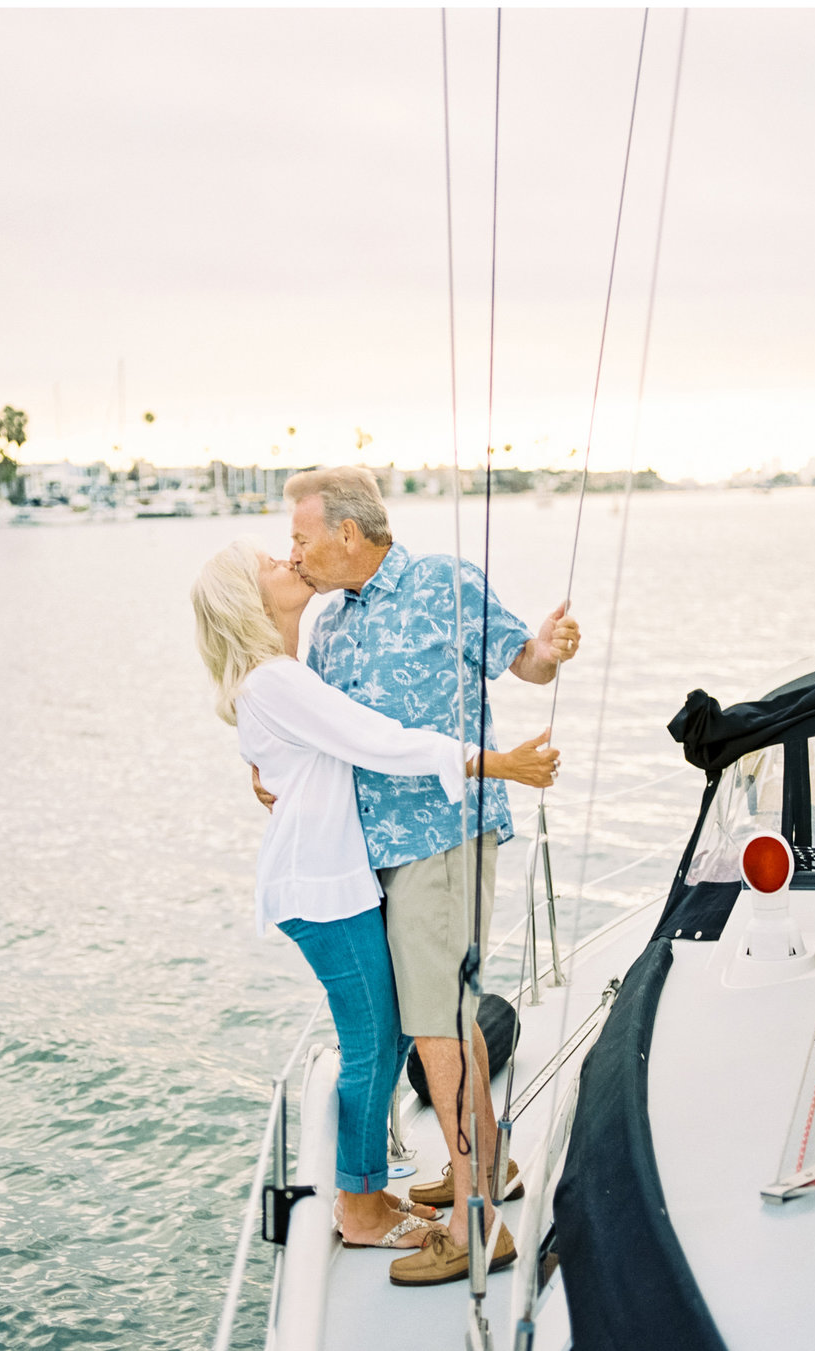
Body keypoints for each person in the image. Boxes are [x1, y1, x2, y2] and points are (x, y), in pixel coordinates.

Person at [191, 537, 560, 1253]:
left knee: (392, 1032)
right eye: (270, 562)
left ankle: (397, 1183)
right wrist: (496, 763)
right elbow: (378, 739)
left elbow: (302, 748)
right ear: (250, 600)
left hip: (332, 879)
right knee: (372, 1044)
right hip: (323, 886)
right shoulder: (275, 679)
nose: (286, 558)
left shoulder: (284, 672)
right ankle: (358, 1207)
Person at [277, 466, 580, 1287]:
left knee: (438, 1023)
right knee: (440, 1020)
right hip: (377, 854)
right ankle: (487, 1168)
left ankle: (476, 1224)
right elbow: (328, 730)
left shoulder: (445, 581)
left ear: (347, 532)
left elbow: (523, 660)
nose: (293, 550)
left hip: (445, 837)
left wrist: (546, 652)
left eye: (301, 534)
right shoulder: (330, 623)